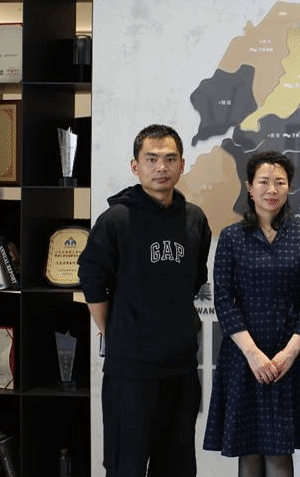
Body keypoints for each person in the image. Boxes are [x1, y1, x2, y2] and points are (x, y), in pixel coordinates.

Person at [78, 124, 212, 477]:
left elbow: (195, 279)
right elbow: (93, 282)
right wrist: (113, 330)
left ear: (182, 164)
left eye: (170, 159)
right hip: (130, 371)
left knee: (178, 467)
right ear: (135, 166)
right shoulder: (115, 220)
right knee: (127, 466)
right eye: (151, 159)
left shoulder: (195, 219)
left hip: (181, 370)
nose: (161, 167)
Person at [203, 150, 300, 476]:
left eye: (280, 182)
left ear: (289, 187)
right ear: (249, 187)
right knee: (248, 450)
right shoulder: (231, 237)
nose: (271, 189)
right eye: (263, 182)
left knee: (280, 452)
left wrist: (290, 352)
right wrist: (253, 354)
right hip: (243, 355)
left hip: (290, 355)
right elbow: (224, 300)